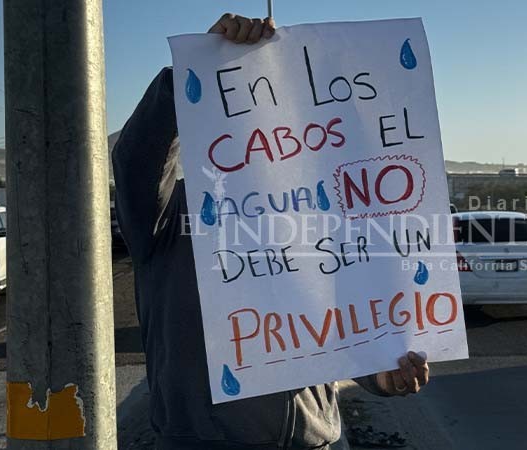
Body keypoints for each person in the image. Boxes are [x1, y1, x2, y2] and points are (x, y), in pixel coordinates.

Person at [112, 13, 430, 450]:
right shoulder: (167, 216)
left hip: (315, 440)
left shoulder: (318, 222)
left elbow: (339, 324)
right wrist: (196, 69)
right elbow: (134, 161)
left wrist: (380, 375)